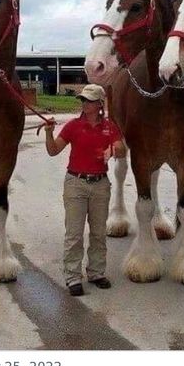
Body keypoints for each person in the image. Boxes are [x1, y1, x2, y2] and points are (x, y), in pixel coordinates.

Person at [42, 84, 126, 297]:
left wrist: (113, 149)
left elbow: (122, 149)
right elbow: (53, 151)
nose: (84, 103)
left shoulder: (109, 126)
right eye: (83, 100)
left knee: (98, 233)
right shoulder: (72, 126)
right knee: (74, 234)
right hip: (75, 183)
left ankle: (96, 272)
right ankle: (72, 276)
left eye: (89, 100)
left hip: (100, 184)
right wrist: (49, 134)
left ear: (100, 104)